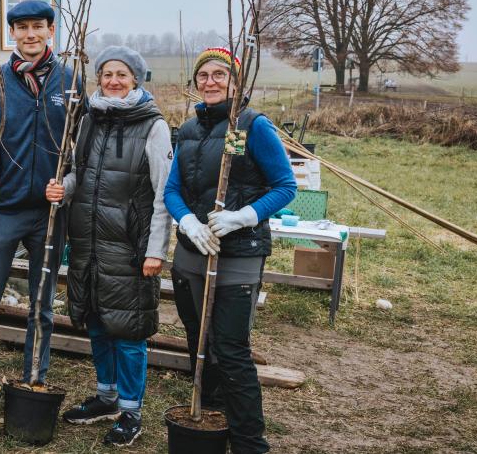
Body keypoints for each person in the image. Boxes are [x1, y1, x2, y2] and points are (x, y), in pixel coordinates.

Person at [163, 47, 296, 454]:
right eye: (203, 75)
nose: (211, 82)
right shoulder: (187, 130)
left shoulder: (254, 126)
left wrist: (243, 216)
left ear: (236, 82)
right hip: (191, 253)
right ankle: (210, 420)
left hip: (238, 255)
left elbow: (285, 187)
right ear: (195, 83)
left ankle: (249, 442)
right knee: (197, 341)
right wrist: (187, 222)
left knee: (232, 348)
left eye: (220, 75)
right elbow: (172, 189)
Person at [44, 46, 172, 447]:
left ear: (136, 79)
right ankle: (107, 397)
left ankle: (131, 411)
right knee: (97, 322)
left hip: (129, 248)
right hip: (88, 244)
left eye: (122, 74)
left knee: (129, 333)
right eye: (107, 74)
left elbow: (164, 194)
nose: (113, 81)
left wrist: (156, 249)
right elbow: (80, 174)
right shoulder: (88, 120)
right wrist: (61, 189)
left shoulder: (153, 126)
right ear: (98, 79)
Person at [0, 0, 78, 383]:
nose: (30, 34)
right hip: (3, 207)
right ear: (11, 33)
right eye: (22, 28)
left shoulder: (70, 81)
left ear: (51, 30)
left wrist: (66, 186)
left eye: (38, 27)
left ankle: (34, 378)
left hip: (49, 213)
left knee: (41, 304)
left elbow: (80, 146)